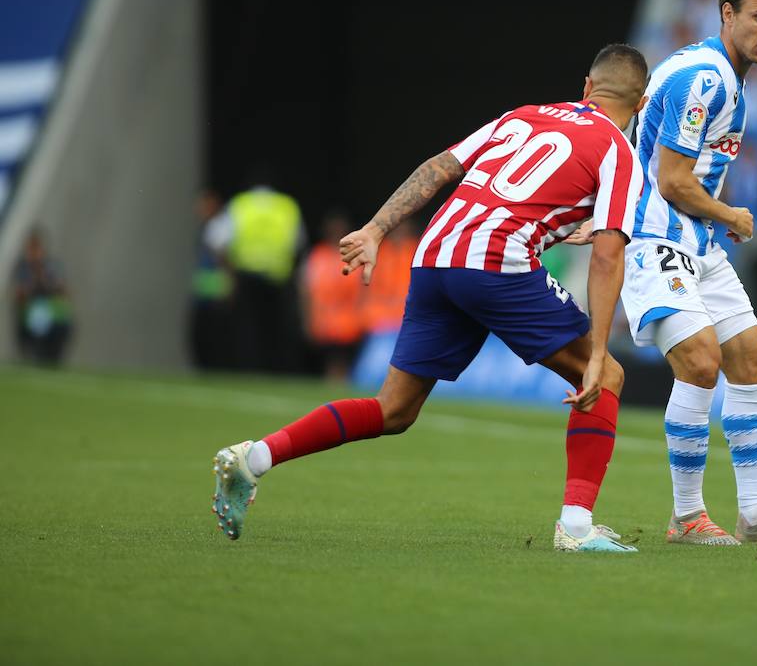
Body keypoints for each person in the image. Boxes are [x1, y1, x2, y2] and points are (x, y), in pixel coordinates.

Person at [211, 44, 649, 553]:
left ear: (587, 87)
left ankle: (255, 458)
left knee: (393, 409)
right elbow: (607, 256)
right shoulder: (619, 149)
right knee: (607, 376)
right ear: (639, 106)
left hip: (435, 254)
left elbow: (442, 167)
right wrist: (596, 351)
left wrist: (376, 229)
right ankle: (576, 528)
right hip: (495, 262)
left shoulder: (522, 116)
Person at [619, 0, 757, 545]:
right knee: (700, 362)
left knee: (752, 360)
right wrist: (731, 213)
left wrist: (714, 221)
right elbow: (671, 181)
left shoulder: (724, 77)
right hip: (656, 239)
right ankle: (687, 517)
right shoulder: (707, 78)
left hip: (697, 245)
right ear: (727, 15)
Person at [210, 174, 306, 373]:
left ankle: (249, 369)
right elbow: (298, 244)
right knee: (275, 328)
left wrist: (228, 273)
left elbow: (217, 240)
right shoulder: (286, 206)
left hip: (247, 276)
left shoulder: (240, 204)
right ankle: (275, 370)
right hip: (277, 277)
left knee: (248, 329)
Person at [300, 211, 365, 382]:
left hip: (350, 322)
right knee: (329, 363)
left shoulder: (356, 255)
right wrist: (308, 319)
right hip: (324, 322)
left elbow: (364, 289)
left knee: (345, 364)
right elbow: (306, 290)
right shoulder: (316, 255)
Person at [12, 228, 72, 365]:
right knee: (37, 325)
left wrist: (45, 279)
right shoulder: (22, 267)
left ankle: (53, 357)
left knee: (63, 326)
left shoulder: (51, 265)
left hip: (52, 310)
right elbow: (19, 294)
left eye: (36, 248)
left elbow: (63, 290)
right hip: (32, 311)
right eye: (31, 249)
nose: (34, 253)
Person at [188, 190, 232, 370]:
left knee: (208, 328)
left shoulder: (218, 226)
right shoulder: (209, 226)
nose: (199, 209)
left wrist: (227, 284)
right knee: (204, 328)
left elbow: (222, 257)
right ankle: (206, 366)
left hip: (214, 283)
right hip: (206, 283)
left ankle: (211, 366)